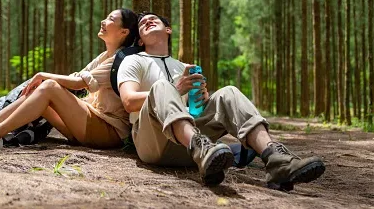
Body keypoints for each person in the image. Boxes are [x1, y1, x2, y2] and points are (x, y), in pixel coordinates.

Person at [117, 12, 325, 188]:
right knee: (161, 86)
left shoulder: (184, 67)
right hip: (152, 142)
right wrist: (176, 87)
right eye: (142, 23)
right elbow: (128, 101)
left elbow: (196, 108)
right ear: (140, 40)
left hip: (191, 147)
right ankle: (201, 147)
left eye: (154, 20)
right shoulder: (133, 61)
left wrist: (206, 102)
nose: (147, 22)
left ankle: (276, 159)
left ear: (168, 30)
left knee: (229, 92)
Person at [0, 9, 139, 151]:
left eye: (111, 19)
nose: (103, 21)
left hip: (107, 132)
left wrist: (43, 75)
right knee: (38, 92)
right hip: (86, 127)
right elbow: (75, 77)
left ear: (124, 32)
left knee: (49, 86)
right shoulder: (104, 56)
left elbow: (79, 83)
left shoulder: (120, 59)